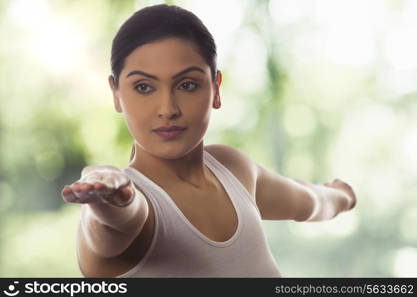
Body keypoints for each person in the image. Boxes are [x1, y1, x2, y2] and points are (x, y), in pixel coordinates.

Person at [61, 4, 357, 278]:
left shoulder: (234, 170)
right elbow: (117, 223)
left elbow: (309, 201)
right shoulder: (133, 202)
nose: (168, 109)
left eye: (187, 85)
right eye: (143, 87)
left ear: (215, 89)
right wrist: (110, 199)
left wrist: (341, 195)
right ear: (116, 94)